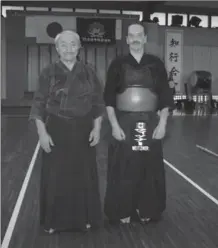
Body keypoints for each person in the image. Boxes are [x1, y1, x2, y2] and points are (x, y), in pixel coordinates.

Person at [29, 30, 105, 234]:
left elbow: (98, 103)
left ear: (80, 47)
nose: (69, 49)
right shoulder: (48, 72)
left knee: (83, 176)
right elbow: (38, 104)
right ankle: (54, 221)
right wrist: (42, 133)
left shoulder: (89, 72)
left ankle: (85, 219)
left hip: (83, 130)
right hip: (56, 129)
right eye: (64, 45)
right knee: (55, 176)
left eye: (73, 44)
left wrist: (97, 128)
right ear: (57, 48)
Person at [103, 23, 174, 224]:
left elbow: (165, 96)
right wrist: (115, 126)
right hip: (124, 121)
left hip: (150, 121)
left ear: (144, 39)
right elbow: (108, 98)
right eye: (131, 36)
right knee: (123, 166)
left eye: (139, 35)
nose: (135, 39)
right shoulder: (117, 64)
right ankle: (122, 209)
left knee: (148, 166)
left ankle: (147, 209)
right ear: (127, 39)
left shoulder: (156, 63)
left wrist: (162, 124)